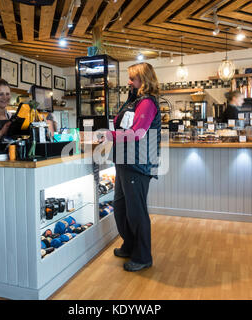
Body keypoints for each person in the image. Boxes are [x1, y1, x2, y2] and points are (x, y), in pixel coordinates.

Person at [105, 62, 161, 272]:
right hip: (124, 161)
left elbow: (138, 133)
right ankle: (129, 245)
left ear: (144, 80)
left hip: (137, 163)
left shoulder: (147, 102)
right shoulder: (134, 99)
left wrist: (108, 135)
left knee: (136, 211)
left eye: (133, 78)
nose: (129, 82)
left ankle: (143, 255)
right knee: (120, 207)